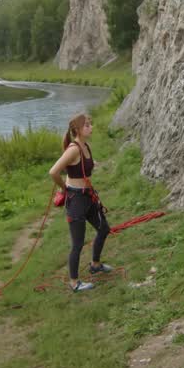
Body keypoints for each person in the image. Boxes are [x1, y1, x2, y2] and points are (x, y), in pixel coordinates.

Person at [48, 113, 113, 292]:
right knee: (78, 243)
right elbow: (53, 172)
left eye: (90, 124)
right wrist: (65, 189)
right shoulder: (73, 149)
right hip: (76, 199)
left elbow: (84, 166)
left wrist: (94, 164)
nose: (90, 127)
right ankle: (74, 283)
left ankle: (95, 265)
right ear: (77, 130)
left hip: (88, 196)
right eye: (87, 125)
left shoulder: (86, 146)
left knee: (103, 228)